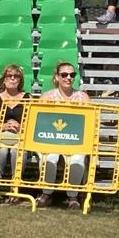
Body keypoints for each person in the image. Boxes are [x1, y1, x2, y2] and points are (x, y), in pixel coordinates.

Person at [37, 60, 92, 192]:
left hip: (75, 140)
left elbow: (89, 121)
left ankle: (72, 196)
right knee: (49, 158)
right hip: (50, 139)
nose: (68, 78)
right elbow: (39, 120)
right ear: (57, 77)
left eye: (72, 75)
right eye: (64, 75)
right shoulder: (47, 97)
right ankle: (46, 193)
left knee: (77, 160)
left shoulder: (83, 97)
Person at [0, 63, 28, 180]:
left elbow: (31, 121)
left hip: (19, 135)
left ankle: (15, 185)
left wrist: (20, 126)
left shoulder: (27, 98)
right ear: (3, 79)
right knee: (1, 150)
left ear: (20, 80)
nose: (12, 78)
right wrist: (3, 126)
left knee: (18, 151)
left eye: (16, 76)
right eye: (9, 75)